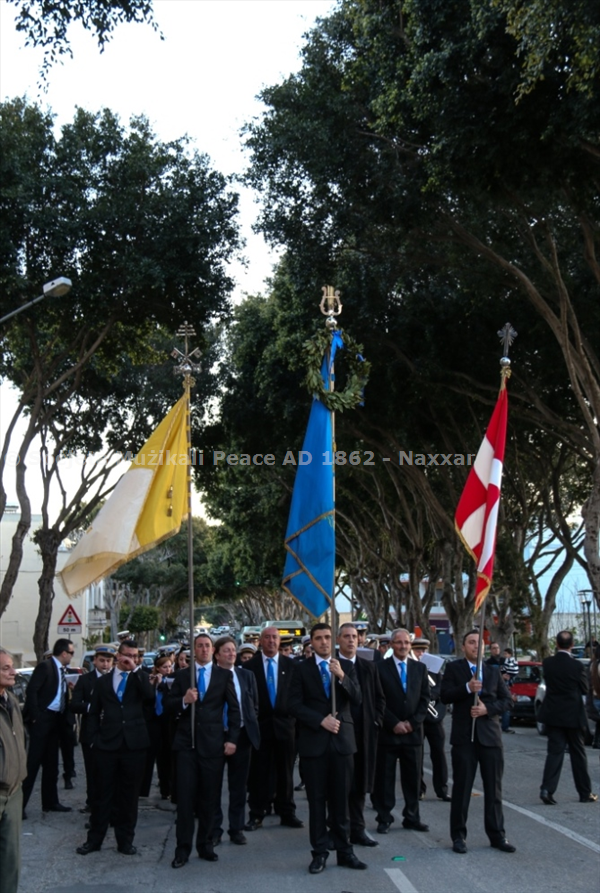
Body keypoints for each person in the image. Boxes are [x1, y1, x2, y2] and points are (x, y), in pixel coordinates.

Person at [288, 622, 366, 874]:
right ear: (311, 642)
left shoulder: (347, 667)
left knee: (341, 802)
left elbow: (357, 698)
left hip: (342, 743)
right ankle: (319, 852)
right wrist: (319, 720)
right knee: (317, 802)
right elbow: (293, 705)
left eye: (327, 638)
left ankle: (345, 852)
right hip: (314, 745)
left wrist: (342, 676)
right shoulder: (301, 670)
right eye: (318, 638)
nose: (323, 642)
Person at [75, 638, 156, 856]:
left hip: (134, 745)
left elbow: (149, 698)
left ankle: (125, 841)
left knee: (128, 797)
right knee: (102, 795)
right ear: (118, 656)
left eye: (134, 655)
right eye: (127, 655)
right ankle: (94, 840)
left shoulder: (140, 678)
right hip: (107, 745)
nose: (130, 659)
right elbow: (93, 713)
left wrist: (136, 670)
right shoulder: (103, 682)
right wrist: (92, 740)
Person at [168, 633, 241, 868]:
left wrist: (232, 739)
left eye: (207, 646)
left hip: (213, 746)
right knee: (186, 801)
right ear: (193, 650)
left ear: (213, 650)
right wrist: (184, 700)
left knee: (210, 799)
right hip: (186, 746)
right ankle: (182, 849)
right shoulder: (181, 677)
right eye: (199, 646)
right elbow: (168, 707)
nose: (203, 649)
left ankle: (206, 844)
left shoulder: (223, 675)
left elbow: (233, 709)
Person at [441, 630, 516, 854]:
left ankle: (497, 835)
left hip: (490, 738)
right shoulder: (454, 669)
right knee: (462, 789)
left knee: (494, 790)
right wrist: (466, 688)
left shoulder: (493, 672)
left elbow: (507, 701)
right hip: (464, 738)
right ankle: (458, 836)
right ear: (463, 646)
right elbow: (444, 695)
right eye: (471, 643)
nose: (476, 646)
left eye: (479, 643)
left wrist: (487, 709)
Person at [244, 626, 303, 831]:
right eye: (267, 638)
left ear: (280, 641)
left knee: (286, 773)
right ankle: (257, 814)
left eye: (274, 638)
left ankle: (287, 812)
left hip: (286, 728)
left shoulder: (292, 665)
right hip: (260, 728)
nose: (271, 641)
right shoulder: (249, 666)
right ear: (260, 641)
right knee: (259, 773)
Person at [372, 628, 430, 834]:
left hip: (413, 734)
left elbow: (425, 700)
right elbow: (377, 700)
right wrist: (393, 722)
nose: (403, 646)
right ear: (391, 644)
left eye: (406, 643)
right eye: (398, 642)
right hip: (389, 733)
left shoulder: (420, 668)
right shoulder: (379, 668)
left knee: (413, 779)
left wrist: (412, 723)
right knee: (385, 778)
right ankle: (384, 817)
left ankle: (412, 816)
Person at [337, 622, 385, 847]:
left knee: (359, 784)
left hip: (364, 734)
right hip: (339, 734)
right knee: (341, 784)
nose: (351, 640)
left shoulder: (369, 667)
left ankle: (358, 829)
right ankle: (338, 829)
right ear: (339, 640)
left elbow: (379, 698)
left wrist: (376, 721)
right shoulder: (333, 666)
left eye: (354, 636)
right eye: (346, 636)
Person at [538, 630, 597, 805]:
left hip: (554, 713)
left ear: (556, 644)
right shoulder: (578, 666)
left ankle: (546, 789)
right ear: (572, 645)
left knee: (554, 753)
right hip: (573, 714)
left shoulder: (548, 663)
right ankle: (584, 792)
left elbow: (548, 682)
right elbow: (584, 688)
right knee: (578, 754)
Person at [213, 636, 260, 846]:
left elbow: (253, 705)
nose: (232, 654)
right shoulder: (209, 676)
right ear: (217, 655)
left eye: (233, 650)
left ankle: (236, 828)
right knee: (212, 787)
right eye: (226, 650)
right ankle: (214, 829)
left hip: (241, 735)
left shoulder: (246, 675)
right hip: (215, 736)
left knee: (238, 786)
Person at [22, 638, 76, 815]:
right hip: (42, 720)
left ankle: (50, 802)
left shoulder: (62, 670)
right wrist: (36, 716)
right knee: (33, 764)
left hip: (56, 720)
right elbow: (32, 691)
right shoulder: (45, 667)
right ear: (63, 653)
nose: (72, 656)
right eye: (71, 653)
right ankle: (19, 806)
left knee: (52, 764)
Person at [69, 645, 115, 814]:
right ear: (94, 661)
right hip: (91, 733)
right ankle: (93, 804)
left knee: (110, 772)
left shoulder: (117, 679)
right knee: (92, 771)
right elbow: (74, 705)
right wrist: (93, 707)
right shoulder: (85, 680)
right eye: (101, 660)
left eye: (108, 661)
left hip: (111, 733)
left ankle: (109, 806)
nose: (105, 664)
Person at [0, 648, 27, 893]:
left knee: (10, 861)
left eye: (12, 666)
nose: (14, 672)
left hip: (14, 791)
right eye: (5, 668)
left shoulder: (10, 700)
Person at [411, 637, 450, 802]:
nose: (421, 654)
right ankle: (419, 789)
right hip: (417, 718)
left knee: (439, 754)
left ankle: (442, 789)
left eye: (423, 650)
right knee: (417, 755)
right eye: (418, 650)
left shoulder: (434, 668)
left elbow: (441, 686)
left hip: (434, 717)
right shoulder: (411, 667)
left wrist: (431, 695)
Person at [140, 654, 173, 799]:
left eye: (170, 666)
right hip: (152, 722)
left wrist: (163, 685)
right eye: (165, 667)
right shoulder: (150, 680)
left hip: (166, 722)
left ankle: (166, 789)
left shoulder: (171, 682)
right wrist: (153, 685)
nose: (168, 670)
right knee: (149, 756)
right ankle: (143, 790)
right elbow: (146, 700)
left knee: (166, 757)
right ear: (158, 668)